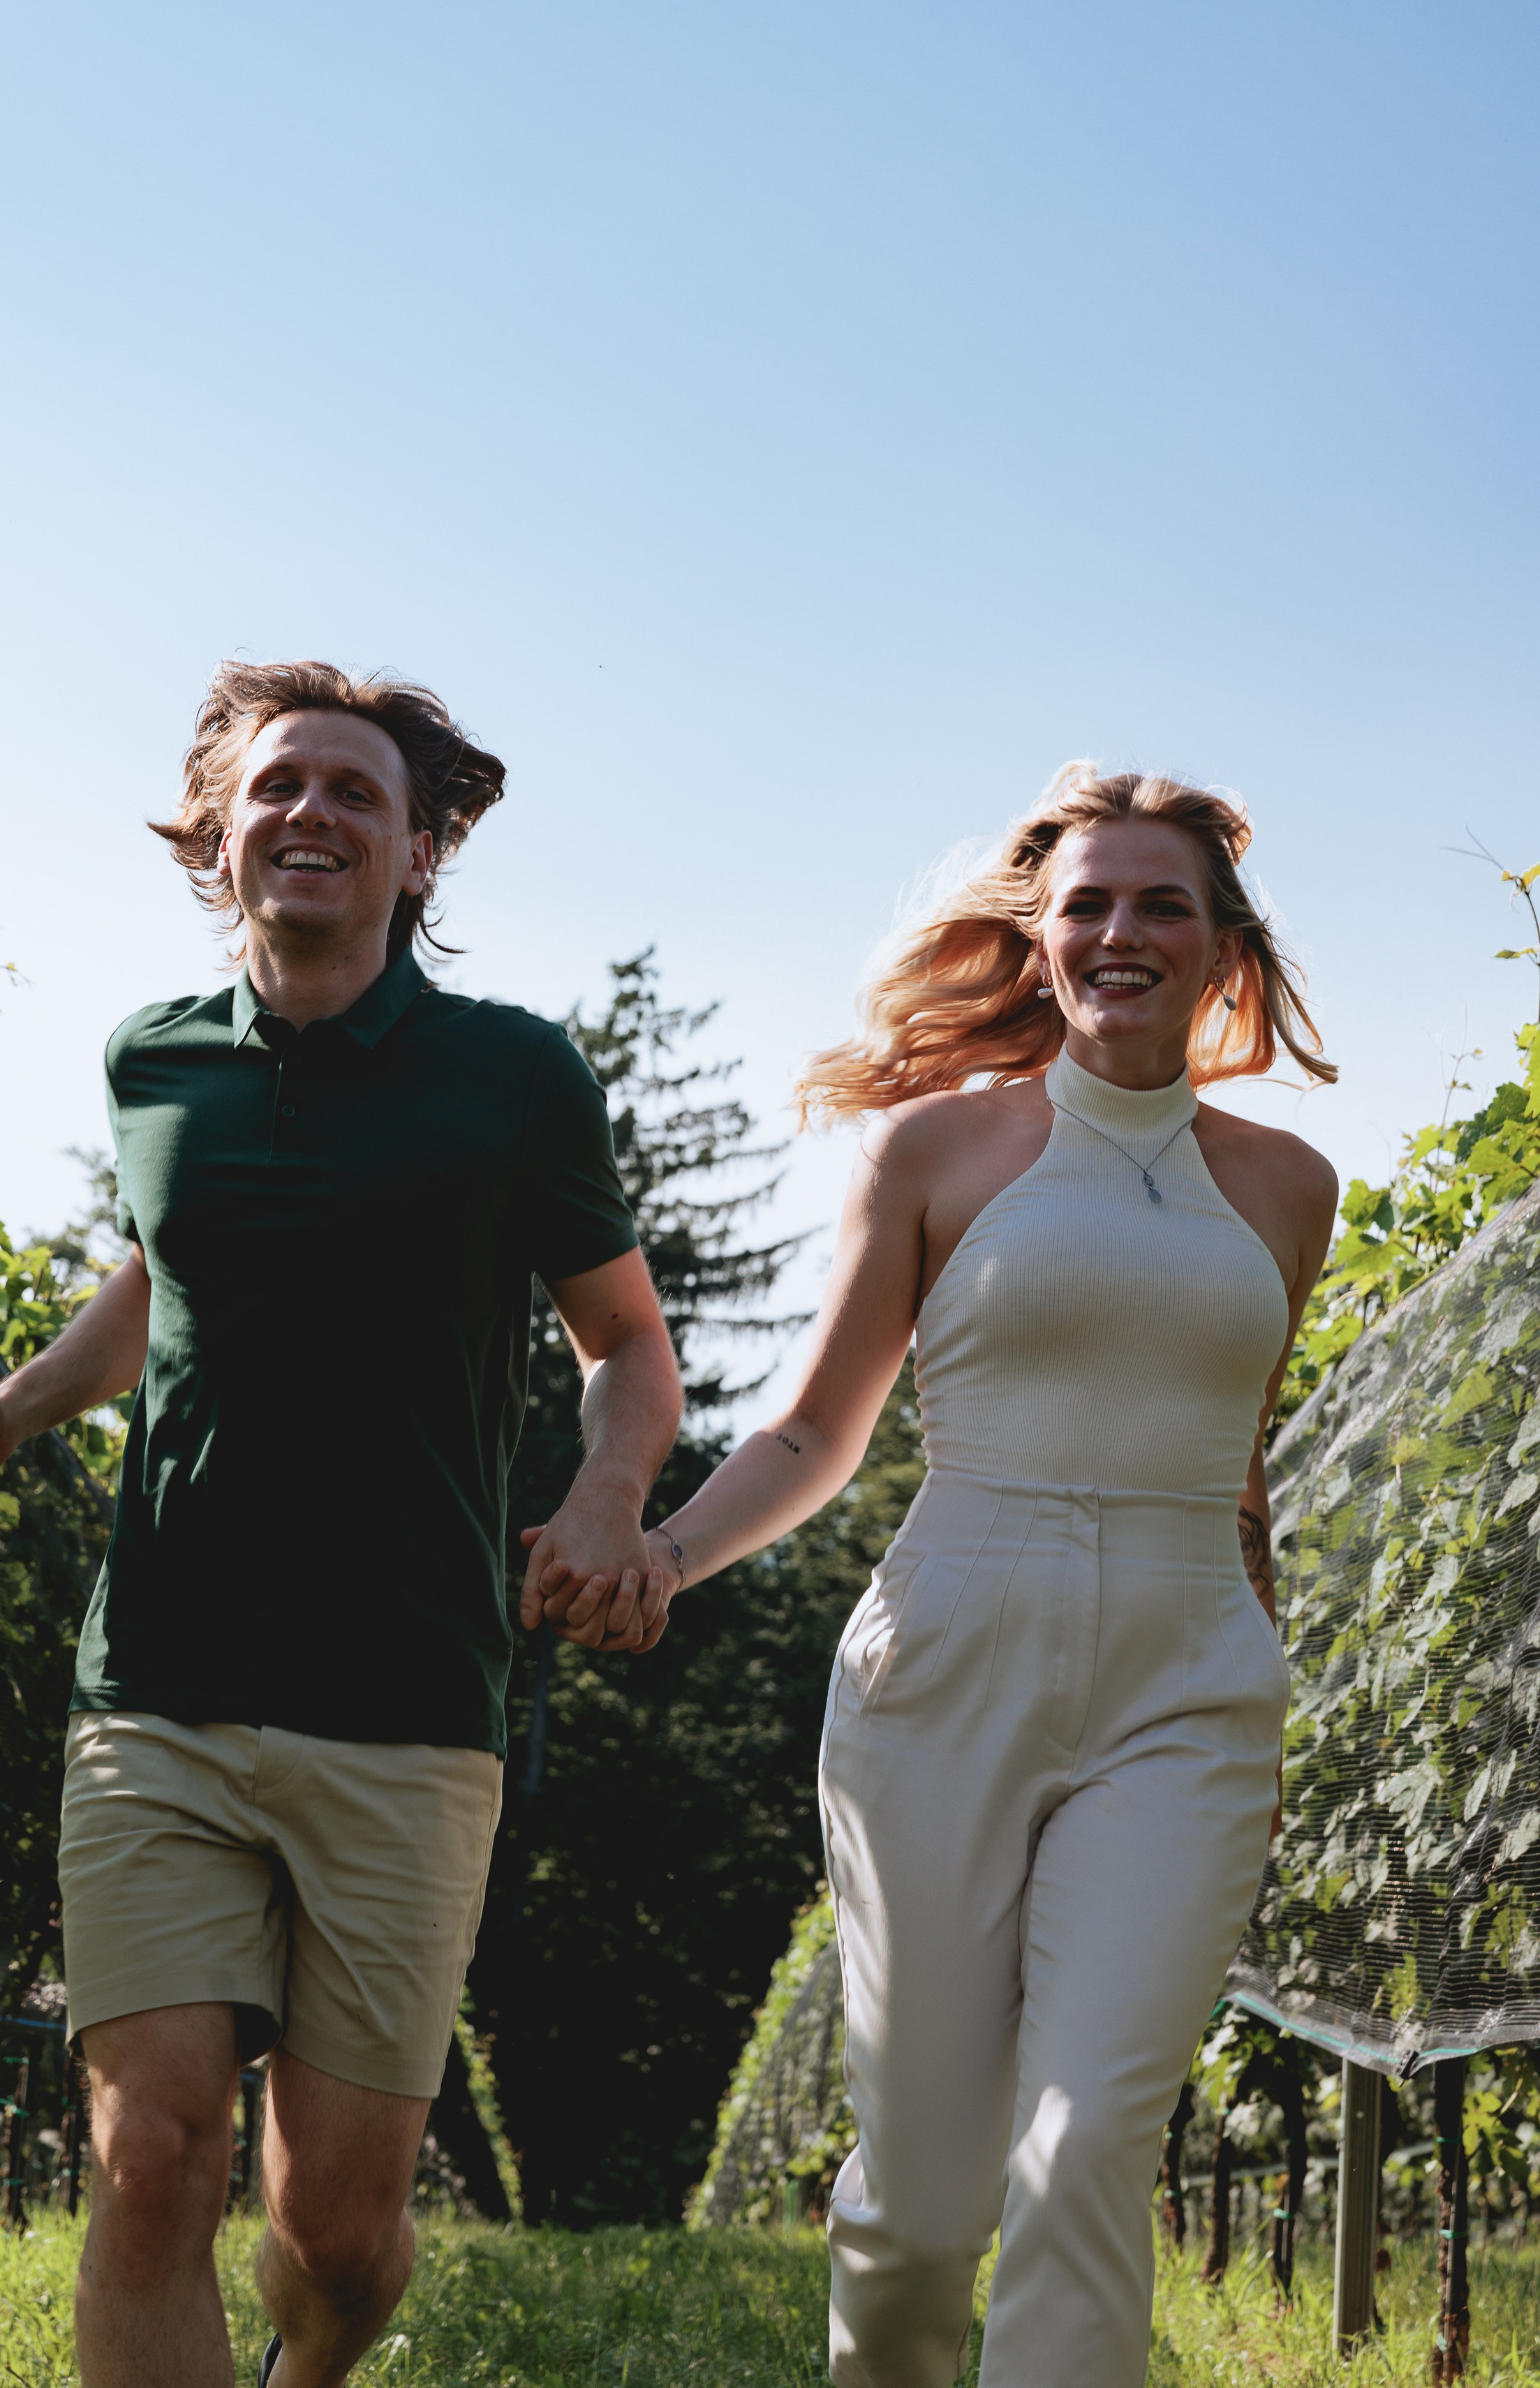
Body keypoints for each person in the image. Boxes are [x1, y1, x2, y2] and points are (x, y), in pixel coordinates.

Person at [0, 660, 684, 2388]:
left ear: (417, 853)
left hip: (407, 1701)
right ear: (217, 833)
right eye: (277, 785)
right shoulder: (153, 1060)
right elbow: (164, 1272)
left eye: (355, 793)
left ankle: (308, 2368)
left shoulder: (511, 1076)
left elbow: (626, 1341)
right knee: (149, 2151)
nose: (310, 811)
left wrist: (605, 1493)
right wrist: (13, 1411)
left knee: (336, 2234)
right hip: (159, 1686)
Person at [555, 764, 1338, 2388]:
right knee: (919, 2208)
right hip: (941, 1666)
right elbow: (813, 1430)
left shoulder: (1283, 1185)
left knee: (1086, 2143)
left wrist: (1258, 1677)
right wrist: (663, 1554)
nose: (1120, 932)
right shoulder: (935, 1150)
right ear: (1035, 939)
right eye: (1085, 904)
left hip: (1188, 1691)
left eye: (1161, 905)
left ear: (1220, 946)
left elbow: (1238, 1467)